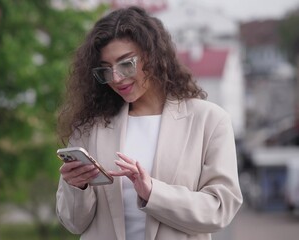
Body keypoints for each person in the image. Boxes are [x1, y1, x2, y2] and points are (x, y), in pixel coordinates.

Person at [55, 6, 243, 240]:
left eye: (126, 64)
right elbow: (73, 223)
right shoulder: (90, 127)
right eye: (105, 69)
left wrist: (153, 193)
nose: (116, 78)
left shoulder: (210, 121)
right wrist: (78, 188)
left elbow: (219, 210)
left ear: (152, 56)